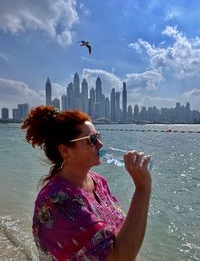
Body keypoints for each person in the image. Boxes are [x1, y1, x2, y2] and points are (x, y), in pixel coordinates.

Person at [21, 105, 152, 261]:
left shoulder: (98, 181)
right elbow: (119, 257)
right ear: (65, 150)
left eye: (98, 136)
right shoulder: (57, 200)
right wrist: (142, 188)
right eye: (92, 140)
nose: (101, 144)